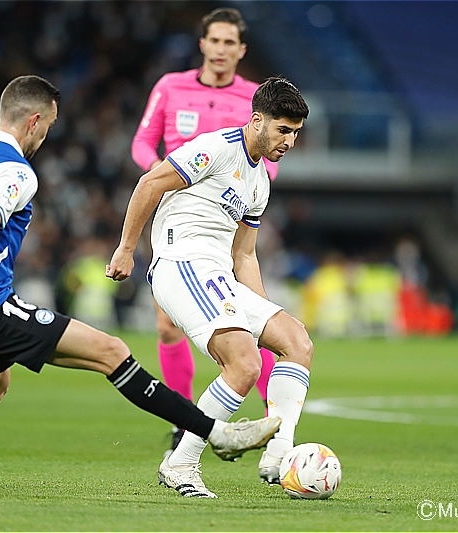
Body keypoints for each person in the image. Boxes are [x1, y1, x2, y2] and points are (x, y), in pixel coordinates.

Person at [0, 75, 281, 498]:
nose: (46, 135)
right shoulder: (16, 171)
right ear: (33, 121)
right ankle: (216, 433)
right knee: (112, 352)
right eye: (48, 125)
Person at [108, 76, 311, 498]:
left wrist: (264, 313)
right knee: (244, 364)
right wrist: (126, 249)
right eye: (283, 130)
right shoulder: (216, 148)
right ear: (257, 121)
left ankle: (280, 452)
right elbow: (149, 183)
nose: (289, 141)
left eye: (295, 133)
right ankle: (181, 463)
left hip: (217, 273)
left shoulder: (260, 182)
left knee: (295, 341)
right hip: (181, 264)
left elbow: (245, 256)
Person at [131, 7, 280, 456]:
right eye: (213, 41)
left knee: (255, 313)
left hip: (233, 217)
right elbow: (142, 142)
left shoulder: (254, 97)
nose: (220, 50)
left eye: (229, 43)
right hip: (177, 214)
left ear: (241, 50)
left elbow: (271, 154)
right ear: (202, 44)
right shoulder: (170, 86)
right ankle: (185, 424)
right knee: (168, 326)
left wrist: (258, 181)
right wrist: (162, 172)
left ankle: (274, 418)